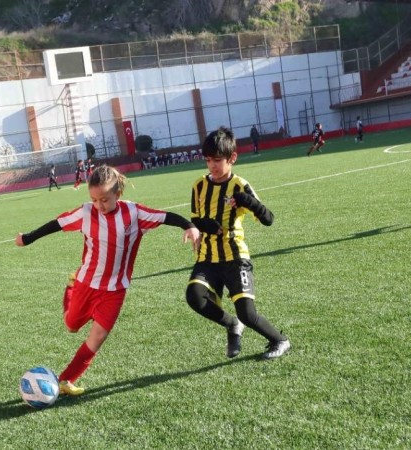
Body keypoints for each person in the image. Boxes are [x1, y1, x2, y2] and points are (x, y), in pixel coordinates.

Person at [15, 165, 200, 396]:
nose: (99, 205)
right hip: (86, 284)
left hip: (115, 290)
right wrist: (28, 238)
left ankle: (66, 380)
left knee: (98, 337)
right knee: (71, 326)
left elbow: (166, 216)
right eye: (94, 200)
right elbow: (57, 224)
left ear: (118, 194)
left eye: (104, 199)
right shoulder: (85, 213)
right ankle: (70, 288)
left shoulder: (134, 213)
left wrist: (190, 226)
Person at [186, 126, 290, 360]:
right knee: (194, 296)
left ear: (232, 158)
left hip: (235, 257)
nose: (212, 165)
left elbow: (268, 219)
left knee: (247, 313)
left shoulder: (240, 186)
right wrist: (206, 226)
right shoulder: (199, 186)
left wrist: (249, 202)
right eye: (208, 160)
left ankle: (280, 340)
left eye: (217, 160)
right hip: (207, 257)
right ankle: (232, 324)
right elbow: (196, 217)